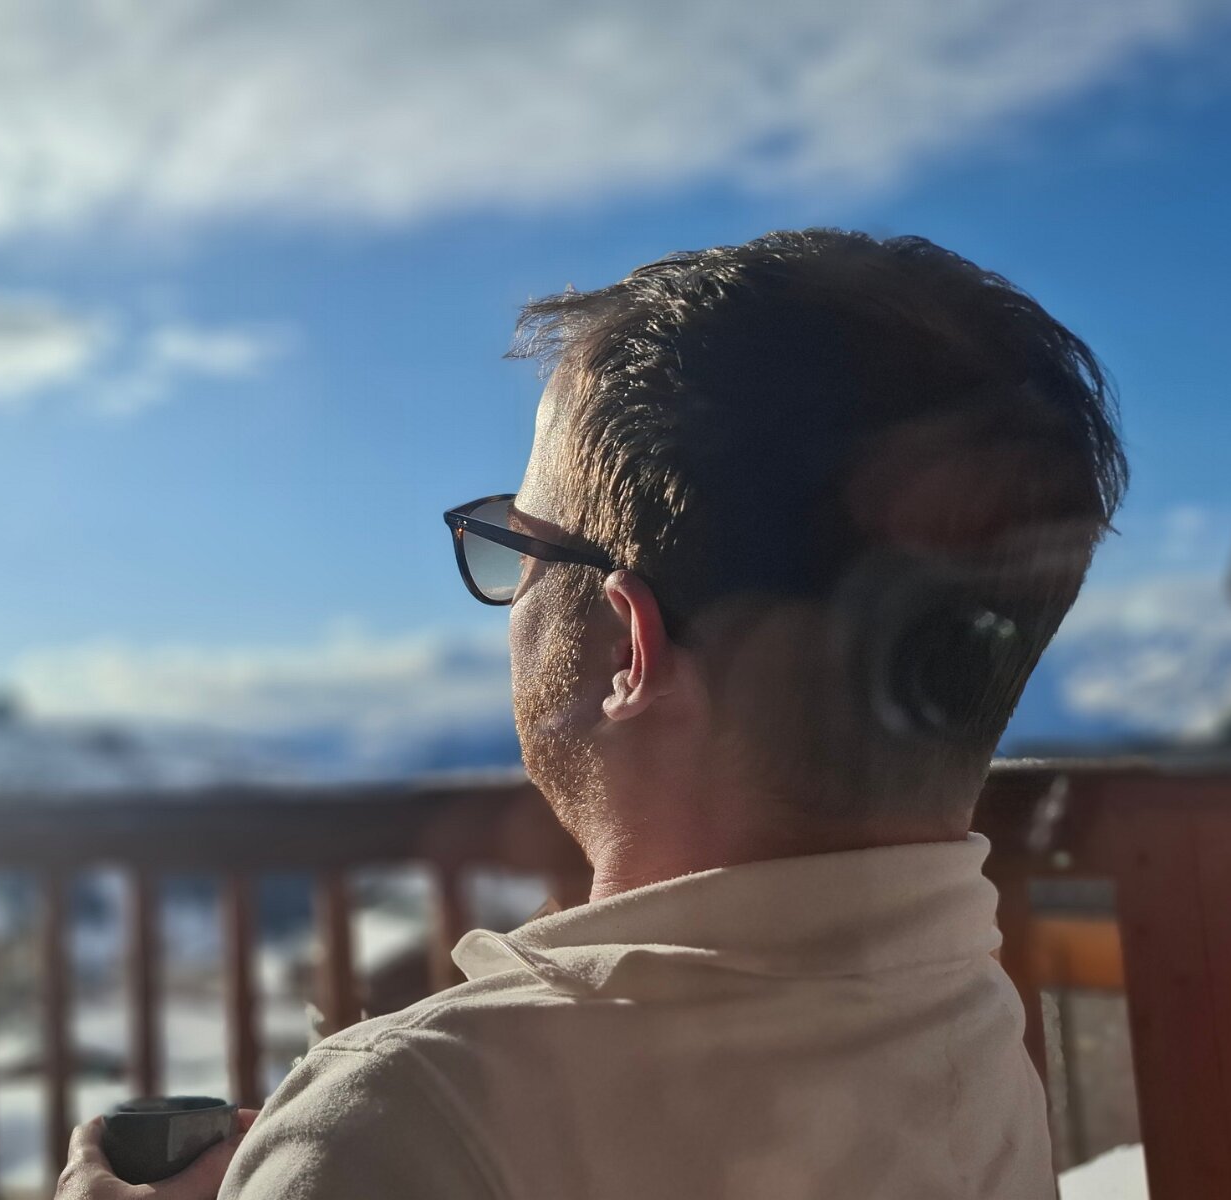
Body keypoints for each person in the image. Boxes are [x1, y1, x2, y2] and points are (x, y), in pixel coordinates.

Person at [56, 229, 1125, 1199]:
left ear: (625, 646)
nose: (509, 592)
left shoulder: (408, 1117)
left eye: (520, 546)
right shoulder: (964, 1012)